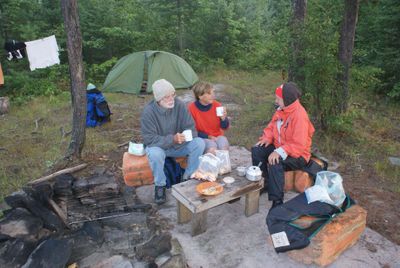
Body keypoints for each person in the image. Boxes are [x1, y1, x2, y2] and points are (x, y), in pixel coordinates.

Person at [141, 79, 205, 204]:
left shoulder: (179, 105)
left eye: (173, 95)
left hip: (178, 146)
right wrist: (172, 139)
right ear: (158, 99)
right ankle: (160, 186)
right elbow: (149, 139)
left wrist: (185, 136)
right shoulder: (148, 112)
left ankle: (188, 178)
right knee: (154, 153)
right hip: (159, 147)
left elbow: (191, 127)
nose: (171, 99)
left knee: (199, 143)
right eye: (166, 97)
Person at [251, 82, 315, 209]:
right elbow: (271, 127)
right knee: (257, 150)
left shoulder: (299, 116)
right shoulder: (281, 110)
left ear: (287, 100)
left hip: (299, 155)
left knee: (275, 161)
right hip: (281, 146)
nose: (276, 101)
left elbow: (299, 145)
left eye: (278, 99)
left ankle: (277, 201)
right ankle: (265, 183)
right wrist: (267, 138)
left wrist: (280, 151)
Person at [188, 82, 230, 154]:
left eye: (213, 92)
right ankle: (210, 163)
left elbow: (225, 127)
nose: (212, 95)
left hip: (218, 136)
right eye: (209, 93)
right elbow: (191, 131)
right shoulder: (191, 109)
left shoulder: (217, 105)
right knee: (212, 149)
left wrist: (223, 119)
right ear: (200, 96)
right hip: (202, 138)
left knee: (223, 146)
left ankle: (223, 165)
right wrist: (208, 136)